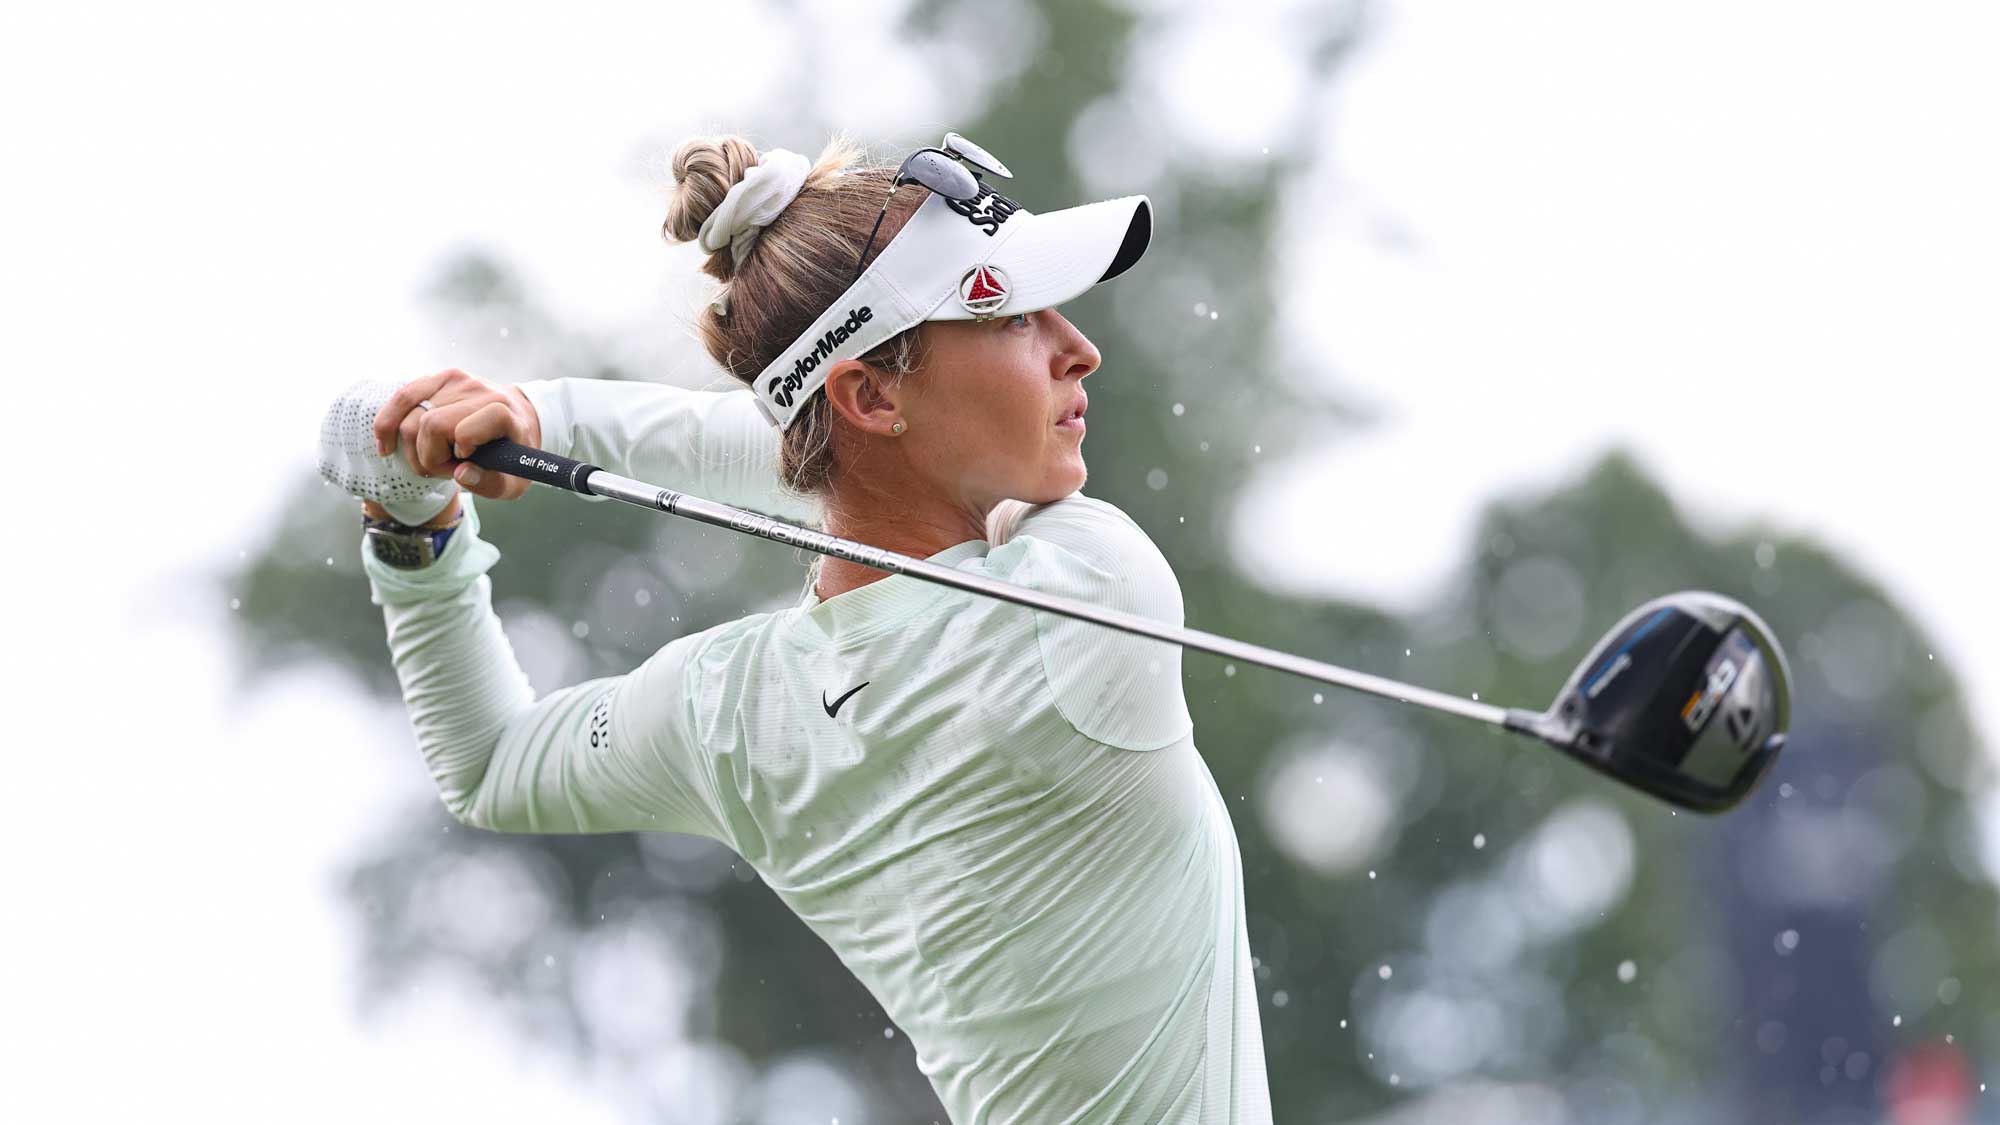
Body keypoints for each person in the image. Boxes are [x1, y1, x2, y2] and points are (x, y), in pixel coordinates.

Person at [339, 132, 1271, 1123]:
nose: (1076, 348)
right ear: (870, 394)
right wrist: (550, 415)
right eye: (1007, 312)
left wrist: (414, 522)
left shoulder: (726, 714)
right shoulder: (1090, 593)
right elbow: (812, 461)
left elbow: (487, 764)